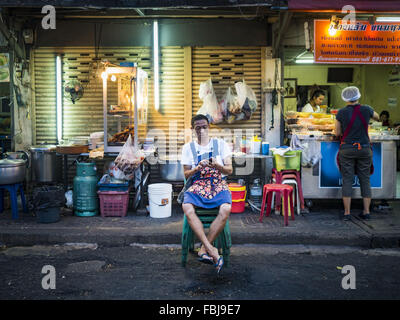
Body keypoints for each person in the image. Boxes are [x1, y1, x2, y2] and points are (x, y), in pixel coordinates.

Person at [181, 114, 233, 273]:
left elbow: (229, 170)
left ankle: (204, 248)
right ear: (192, 129)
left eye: (204, 127)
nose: (202, 130)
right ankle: (213, 250)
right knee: (186, 207)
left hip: (218, 184)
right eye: (198, 128)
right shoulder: (188, 148)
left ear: (209, 127)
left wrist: (218, 165)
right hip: (198, 184)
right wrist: (197, 168)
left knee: (226, 209)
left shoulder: (221, 144)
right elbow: (186, 174)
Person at [335, 86, 379, 221]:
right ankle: (366, 212)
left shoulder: (341, 113)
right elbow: (377, 117)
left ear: (345, 98)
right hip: (365, 149)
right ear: (358, 96)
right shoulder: (366, 109)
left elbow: (337, 133)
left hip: (347, 149)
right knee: (365, 179)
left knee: (347, 179)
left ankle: (347, 213)